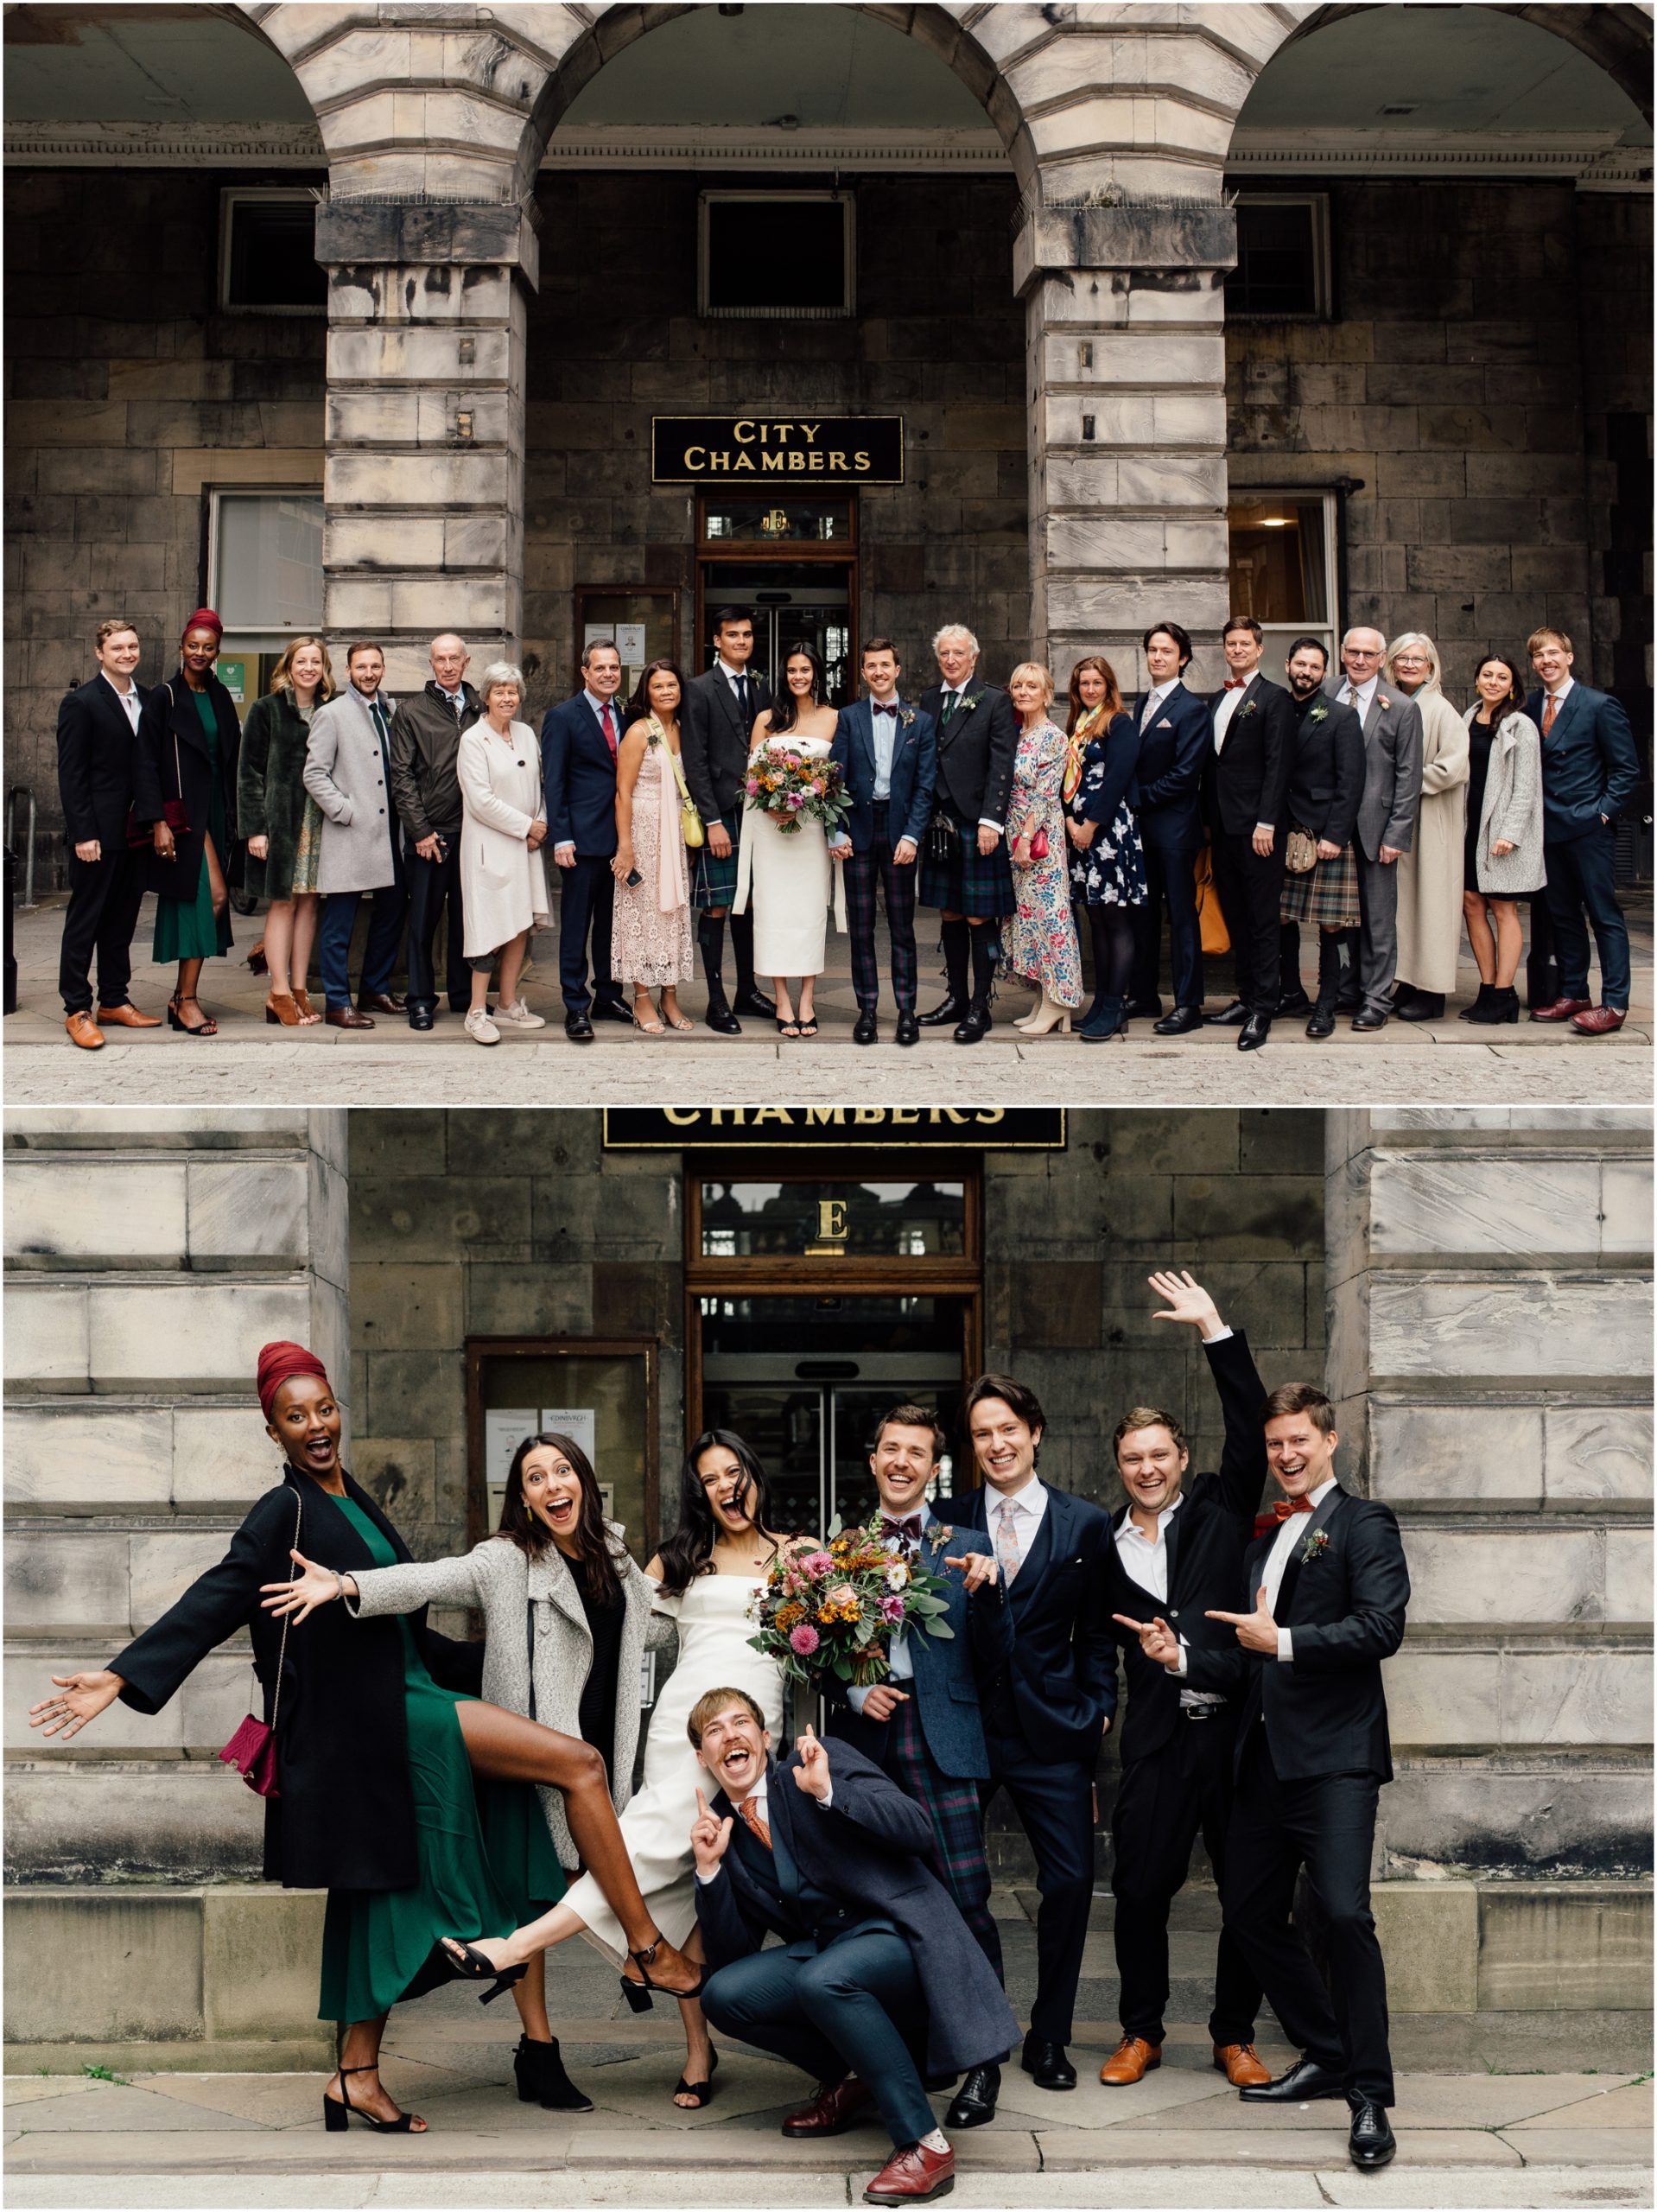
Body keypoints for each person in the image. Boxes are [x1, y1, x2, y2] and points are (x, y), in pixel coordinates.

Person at [28, 1341, 704, 2137]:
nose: (316, 1426)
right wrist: (124, 1674)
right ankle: (648, 1945)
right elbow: (221, 1592)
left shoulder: (348, 1494)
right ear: (271, 1430)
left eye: (324, 1409)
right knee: (577, 1764)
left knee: (382, 1893)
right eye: (295, 1416)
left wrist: (515, 1659)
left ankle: (355, 2075)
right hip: (373, 1720)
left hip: (405, 1696)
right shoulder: (286, 1509)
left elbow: (407, 1629)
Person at [261, 1428, 675, 2114]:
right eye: (534, 1478)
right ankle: (566, 2026)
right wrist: (346, 1584)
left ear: (585, 1483)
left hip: (598, 1744)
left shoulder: (619, 1562)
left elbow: (654, 1626)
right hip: (538, 1754)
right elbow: (427, 1577)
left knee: (560, 1895)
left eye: (562, 1471)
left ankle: (628, 2004)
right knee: (537, 1893)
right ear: (523, 1498)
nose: (551, 1486)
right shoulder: (507, 1560)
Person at [435, 1431, 797, 2113]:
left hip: (751, 1726)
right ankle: (695, 2044)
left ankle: (546, 1947)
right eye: (711, 1479)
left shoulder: (800, 1555)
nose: (727, 1486)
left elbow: (847, 1632)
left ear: (754, 1474)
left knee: (668, 1864)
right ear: (700, 1494)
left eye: (735, 1470)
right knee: (671, 1870)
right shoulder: (677, 1560)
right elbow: (611, 1613)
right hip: (679, 1731)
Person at [1150, 1380, 1410, 2172]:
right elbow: (1248, 1659)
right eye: (1275, 1445)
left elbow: (1381, 1628)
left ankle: (1369, 2095)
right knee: (1252, 1916)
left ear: (1328, 1441)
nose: (1286, 1455)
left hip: (1333, 1762)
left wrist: (1284, 1641)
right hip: (1259, 1764)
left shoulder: (1363, 1523)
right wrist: (1186, 1658)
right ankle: (1329, 2051)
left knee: (1341, 1915)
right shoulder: (1267, 1544)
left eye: (1298, 1440)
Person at [691, 1697, 1019, 2207]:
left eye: (741, 1724)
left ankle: (925, 2147)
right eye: (714, 1731)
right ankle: (856, 2079)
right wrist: (710, 1872)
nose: (731, 1736)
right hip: (829, 1952)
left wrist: (827, 1791)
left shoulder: (821, 1760)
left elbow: (916, 1828)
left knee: (822, 1980)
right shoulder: (720, 1828)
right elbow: (734, 1955)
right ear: (702, 1755)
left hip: (901, 1937)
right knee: (723, 1995)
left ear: (762, 1737)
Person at [1101, 1270, 1270, 2091]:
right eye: (1133, 1459)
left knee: (1248, 1897)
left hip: (1234, 1738)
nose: (1147, 1468)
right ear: (1121, 1467)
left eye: (1159, 1455)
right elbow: (1083, 1641)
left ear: (1183, 1459)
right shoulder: (1104, 1548)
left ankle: (1234, 2035)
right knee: (1139, 1894)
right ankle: (1141, 2032)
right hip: (1158, 1745)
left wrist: (1214, 1327)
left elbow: (1250, 1426)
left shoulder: (1221, 1508)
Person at [825, 1403, 1012, 2129]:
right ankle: (891, 2058)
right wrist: (852, 1686)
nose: (902, 1462)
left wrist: (989, 1595)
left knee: (964, 1902)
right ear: (872, 1461)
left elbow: (999, 1658)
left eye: (918, 1453)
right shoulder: (841, 1550)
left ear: (935, 1468)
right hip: (869, 1743)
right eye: (890, 1449)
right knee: (878, 1907)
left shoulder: (967, 1543)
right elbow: (811, 1651)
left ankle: (983, 2064)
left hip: (943, 1739)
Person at [949, 1376, 1115, 2094]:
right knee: (960, 1887)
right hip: (970, 1729)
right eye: (983, 1434)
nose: (997, 1445)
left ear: (1035, 1432)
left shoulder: (1084, 1523)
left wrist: (1099, 1704)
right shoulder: (949, 1521)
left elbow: (1099, 1631)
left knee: (1072, 1881)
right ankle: (982, 2034)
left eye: (1008, 1429)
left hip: (1054, 1730)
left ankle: (1049, 2036)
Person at [132, 607, 240, 1037]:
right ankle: (186, 999)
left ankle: (183, 996)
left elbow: (230, 756)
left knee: (209, 900)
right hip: (183, 814)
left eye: (207, 647)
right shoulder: (165, 696)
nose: (199, 653)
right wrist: (156, 820)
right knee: (211, 896)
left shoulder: (219, 696)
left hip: (215, 808)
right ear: (181, 647)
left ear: (217, 651)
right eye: (192, 646)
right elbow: (144, 761)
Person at [1526, 626, 1639, 1035]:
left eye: (1553, 653)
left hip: (1589, 829)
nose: (1546, 661)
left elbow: (1626, 769)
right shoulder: (1530, 706)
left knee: (1604, 916)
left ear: (1569, 657)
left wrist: (1603, 813)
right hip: (1547, 831)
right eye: (1539, 655)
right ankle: (1574, 992)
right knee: (1563, 918)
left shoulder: (1598, 705)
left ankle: (1615, 1004)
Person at [55, 616, 160, 1049]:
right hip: (96, 834)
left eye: (132, 647)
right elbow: (71, 773)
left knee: (121, 923)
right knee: (86, 921)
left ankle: (114, 1000)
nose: (127, 654)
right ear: (100, 653)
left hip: (134, 832)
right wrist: (83, 833)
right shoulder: (81, 703)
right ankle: (77, 1008)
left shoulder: (149, 700)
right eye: (117, 648)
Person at [828, 638, 936, 1047]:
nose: (878, 672)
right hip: (857, 828)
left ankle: (907, 1010)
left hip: (899, 831)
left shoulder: (919, 722)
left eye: (885, 665)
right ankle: (867, 1010)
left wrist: (912, 835)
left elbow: (925, 786)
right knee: (861, 928)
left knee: (902, 927)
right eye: (870, 665)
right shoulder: (849, 717)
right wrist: (835, 831)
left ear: (898, 669)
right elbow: (834, 778)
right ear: (862, 672)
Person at [917, 624, 1019, 1045]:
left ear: (973, 658)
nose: (952, 660)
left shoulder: (995, 700)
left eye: (959, 653)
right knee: (950, 912)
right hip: (939, 824)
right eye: (945, 654)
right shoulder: (927, 699)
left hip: (977, 824)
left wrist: (991, 822)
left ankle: (980, 1006)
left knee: (980, 915)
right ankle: (956, 998)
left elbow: (1002, 763)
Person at [303, 639, 407, 1031]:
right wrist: (345, 810)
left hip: (389, 835)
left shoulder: (391, 708)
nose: (369, 673)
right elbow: (314, 773)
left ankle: (374, 989)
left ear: (382, 669)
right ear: (348, 671)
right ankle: (336, 1001)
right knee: (339, 923)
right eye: (361, 667)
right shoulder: (331, 714)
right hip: (350, 835)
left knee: (392, 911)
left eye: (375, 666)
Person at [682, 607, 776, 1033]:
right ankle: (716, 1000)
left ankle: (747, 991)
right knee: (718, 904)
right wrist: (713, 820)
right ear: (716, 641)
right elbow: (695, 759)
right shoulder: (699, 689)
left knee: (751, 903)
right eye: (732, 635)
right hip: (722, 812)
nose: (742, 641)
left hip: (759, 812)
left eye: (747, 635)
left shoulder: (761, 686)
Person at [738, 641, 839, 1039]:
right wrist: (769, 804)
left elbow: (835, 777)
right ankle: (781, 997)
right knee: (773, 912)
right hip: (771, 831)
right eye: (793, 670)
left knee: (810, 912)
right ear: (785, 675)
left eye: (806, 670)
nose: (799, 677)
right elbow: (750, 777)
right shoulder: (766, 718)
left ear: (816, 674)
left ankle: (807, 999)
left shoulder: (834, 718)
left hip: (811, 830)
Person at [1324, 627, 1423, 1031]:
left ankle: (1376, 998)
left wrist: (1396, 835)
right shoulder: (1326, 691)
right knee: (1337, 918)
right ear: (1343, 653)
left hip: (1376, 828)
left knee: (1379, 920)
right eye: (1354, 652)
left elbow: (1408, 776)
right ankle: (1345, 990)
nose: (1360, 660)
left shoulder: (1400, 707)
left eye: (1369, 654)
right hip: (1330, 827)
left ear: (1383, 659)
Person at [1203, 615, 1295, 1052]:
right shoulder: (1216, 700)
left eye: (1245, 643)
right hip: (1222, 826)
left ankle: (1263, 1007)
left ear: (1259, 649)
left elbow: (1278, 764)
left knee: (1261, 921)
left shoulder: (1275, 699)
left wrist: (1267, 822)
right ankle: (1244, 997)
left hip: (1258, 829)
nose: (1237, 650)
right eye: (1231, 643)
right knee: (1236, 915)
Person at [543, 639, 633, 1044]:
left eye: (614, 668)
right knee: (577, 926)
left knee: (613, 928)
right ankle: (576, 1004)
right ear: (585, 672)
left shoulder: (627, 716)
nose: (609, 674)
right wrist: (561, 836)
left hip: (619, 839)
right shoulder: (563, 717)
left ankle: (608, 996)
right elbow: (555, 783)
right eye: (600, 668)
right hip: (579, 841)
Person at [240, 636, 333, 1027]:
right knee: (283, 902)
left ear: (324, 668)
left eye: (316, 661)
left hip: (321, 821)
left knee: (310, 903)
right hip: (281, 822)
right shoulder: (267, 710)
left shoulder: (333, 709)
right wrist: (255, 830)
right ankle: (278, 991)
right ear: (288, 666)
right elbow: (249, 773)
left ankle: (299, 989)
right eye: (302, 661)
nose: (308, 668)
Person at [390, 631, 481, 1032]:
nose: (447, 666)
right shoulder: (411, 712)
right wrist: (421, 832)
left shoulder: (481, 706)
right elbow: (401, 777)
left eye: (454, 659)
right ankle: (421, 1000)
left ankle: (463, 996)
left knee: (467, 920)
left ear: (466, 661)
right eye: (440, 660)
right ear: (431, 664)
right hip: (431, 835)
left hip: (475, 833)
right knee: (423, 921)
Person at [456, 663, 549, 1047]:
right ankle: (477, 1011)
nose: (507, 698)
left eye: (512, 691)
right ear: (485, 697)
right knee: (489, 930)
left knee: (518, 926)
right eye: (499, 692)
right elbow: (480, 801)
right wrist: (526, 826)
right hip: (489, 848)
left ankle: (507, 1005)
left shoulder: (527, 733)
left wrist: (539, 822)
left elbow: (540, 787)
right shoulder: (473, 740)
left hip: (525, 847)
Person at [1277, 639, 1366, 1040]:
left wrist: (1335, 835)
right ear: (1288, 665)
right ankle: (1291, 992)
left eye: (1314, 665)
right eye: (1300, 663)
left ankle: (1327, 1005)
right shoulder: (1276, 708)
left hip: (1324, 833)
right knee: (1280, 918)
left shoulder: (1341, 716)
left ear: (1324, 672)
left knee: (1331, 926)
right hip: (1281, 832)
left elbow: (1352, 782)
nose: (1306, 671)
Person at [1127, 621, 1210, 1031]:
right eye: (1152, 650)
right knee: (1142, 915)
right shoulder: (1142, 704)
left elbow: (1185, 774)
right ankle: (1144, 997)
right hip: (1141, 831)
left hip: (1175, 831)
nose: (1157, 657)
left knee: (1180, 918)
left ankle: (1189, 1005)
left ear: (1183, 658)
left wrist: (1136, 799)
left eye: (1166, 651)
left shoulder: (1192, 709)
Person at [1384, 634, 1468, 1023]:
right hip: (1403, 818)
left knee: (1432, 903)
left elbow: (1453, 767)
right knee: (1407, 905)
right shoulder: (1395, 702)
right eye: (1403, 658)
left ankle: (1433, 991)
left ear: (1431, 666)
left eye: (1418, 659)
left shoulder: (1441, 710)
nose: (1409, 665)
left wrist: (1403, 781)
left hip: (1432, 819)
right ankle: (1409, 982)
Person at [1063, 654, 1145, 1046]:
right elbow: (1067, 781)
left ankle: (1116, 1006)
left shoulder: (1119, 723)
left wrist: (1090, 826)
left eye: (1097, 683)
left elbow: (1116, 781)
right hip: (1079, 834)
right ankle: (1099, 1000)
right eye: (1084, 684)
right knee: (1095, 919)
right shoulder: (1078, 725)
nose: (1090, 689)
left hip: (1108, 835)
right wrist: (1069, 823)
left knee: (1115, 921)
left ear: (1109, 686)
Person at [612, 658, 696, 1036]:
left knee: (672, 911)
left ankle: (670, 994)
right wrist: (625, 847)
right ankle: (642, 996)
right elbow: (622, 793)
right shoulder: (638, 732)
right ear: (647, 691)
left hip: (673, 832)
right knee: (642, 913)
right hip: (643, 831)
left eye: (672, 685)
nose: (666, 691)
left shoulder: (681, 728)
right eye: (658, 686)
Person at [1461, 654, 1546, 1025]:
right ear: (1477, 680)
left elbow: (1526, 786)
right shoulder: (1466, 718)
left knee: (1503, 908)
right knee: (1471, 904)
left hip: (1501, 832)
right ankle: (1487, 987)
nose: (1494, 682)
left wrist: (1510, 833)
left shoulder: (1520, 725)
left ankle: (1504, 995)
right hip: (1470, 826)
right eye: (1487, 675)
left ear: (1513, 686)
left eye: (1502, 677)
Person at [1002, 662, 1082, 1038]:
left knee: (1052, 919)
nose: (1023, 692)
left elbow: (1046, 793)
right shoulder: (1020, 733)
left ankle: (1060, 1000)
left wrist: (1024, 837)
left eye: (1031, 686)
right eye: (1018, 686)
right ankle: (1043, 995)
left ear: (1047, 693)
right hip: (1016, 838)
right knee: (1030, 920)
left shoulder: (1051, 736)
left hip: (1039, 842)